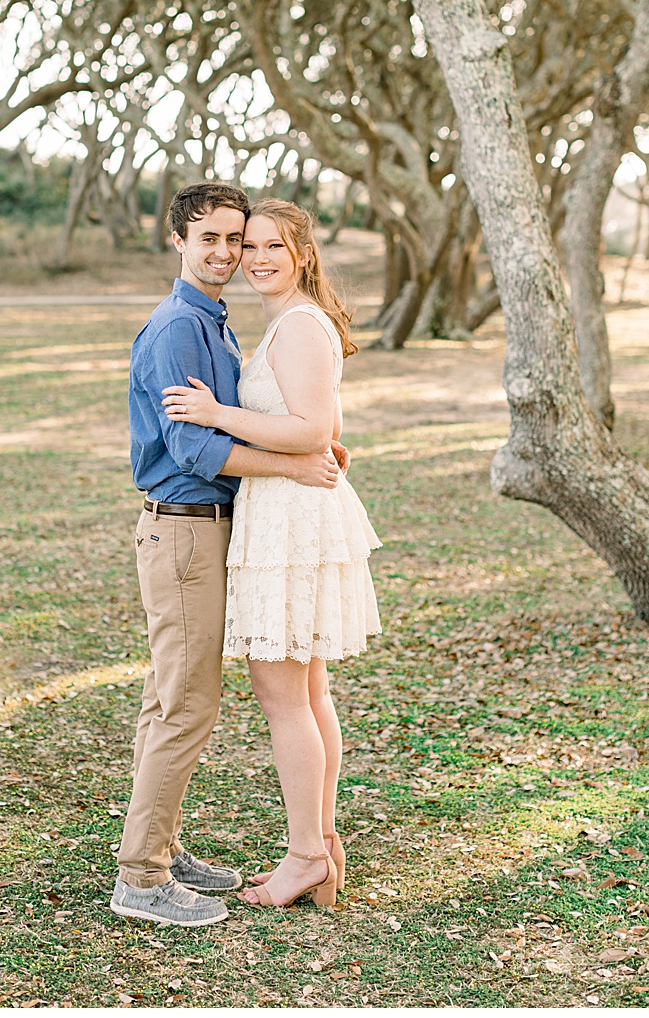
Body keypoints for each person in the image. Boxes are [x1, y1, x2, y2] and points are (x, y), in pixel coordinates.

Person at [110, 182, 350, 929]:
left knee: (176, 700)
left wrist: (308, 445)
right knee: (186, 705)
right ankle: (142, 877)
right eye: (212, 239)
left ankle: (161, 846)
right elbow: (192, 442)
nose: (228, 253)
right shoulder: (180, 326)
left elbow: (287, 419)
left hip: (214, 527)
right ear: (177, 240)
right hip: (184, 530)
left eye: (237, 239)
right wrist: (293, 461)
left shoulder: (217, 322)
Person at [160, 198, 381, 910]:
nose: (254, 258)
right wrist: (301, 442)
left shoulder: (300, 325)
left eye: (271, 247)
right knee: (307, 695)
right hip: (287, 511)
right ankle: (322, 843)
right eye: (246, 245)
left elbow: (315, 426)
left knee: (287, 697)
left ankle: (305, 855)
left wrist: (221, 415)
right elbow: (323, 426)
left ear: (302, 255)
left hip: (290, 522)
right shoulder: (292, 324)